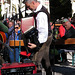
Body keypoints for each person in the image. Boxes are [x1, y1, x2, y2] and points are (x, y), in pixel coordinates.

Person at [23, 0, 52, 75]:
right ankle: (49, 73)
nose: (28, 8)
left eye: (28, 6)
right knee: (45, 59)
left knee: (35, 60)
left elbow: (43, 31)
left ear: (33, 2)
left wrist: (37, 44)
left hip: (44, 38)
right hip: (46, 37)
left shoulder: (41, 14)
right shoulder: (39, 11)